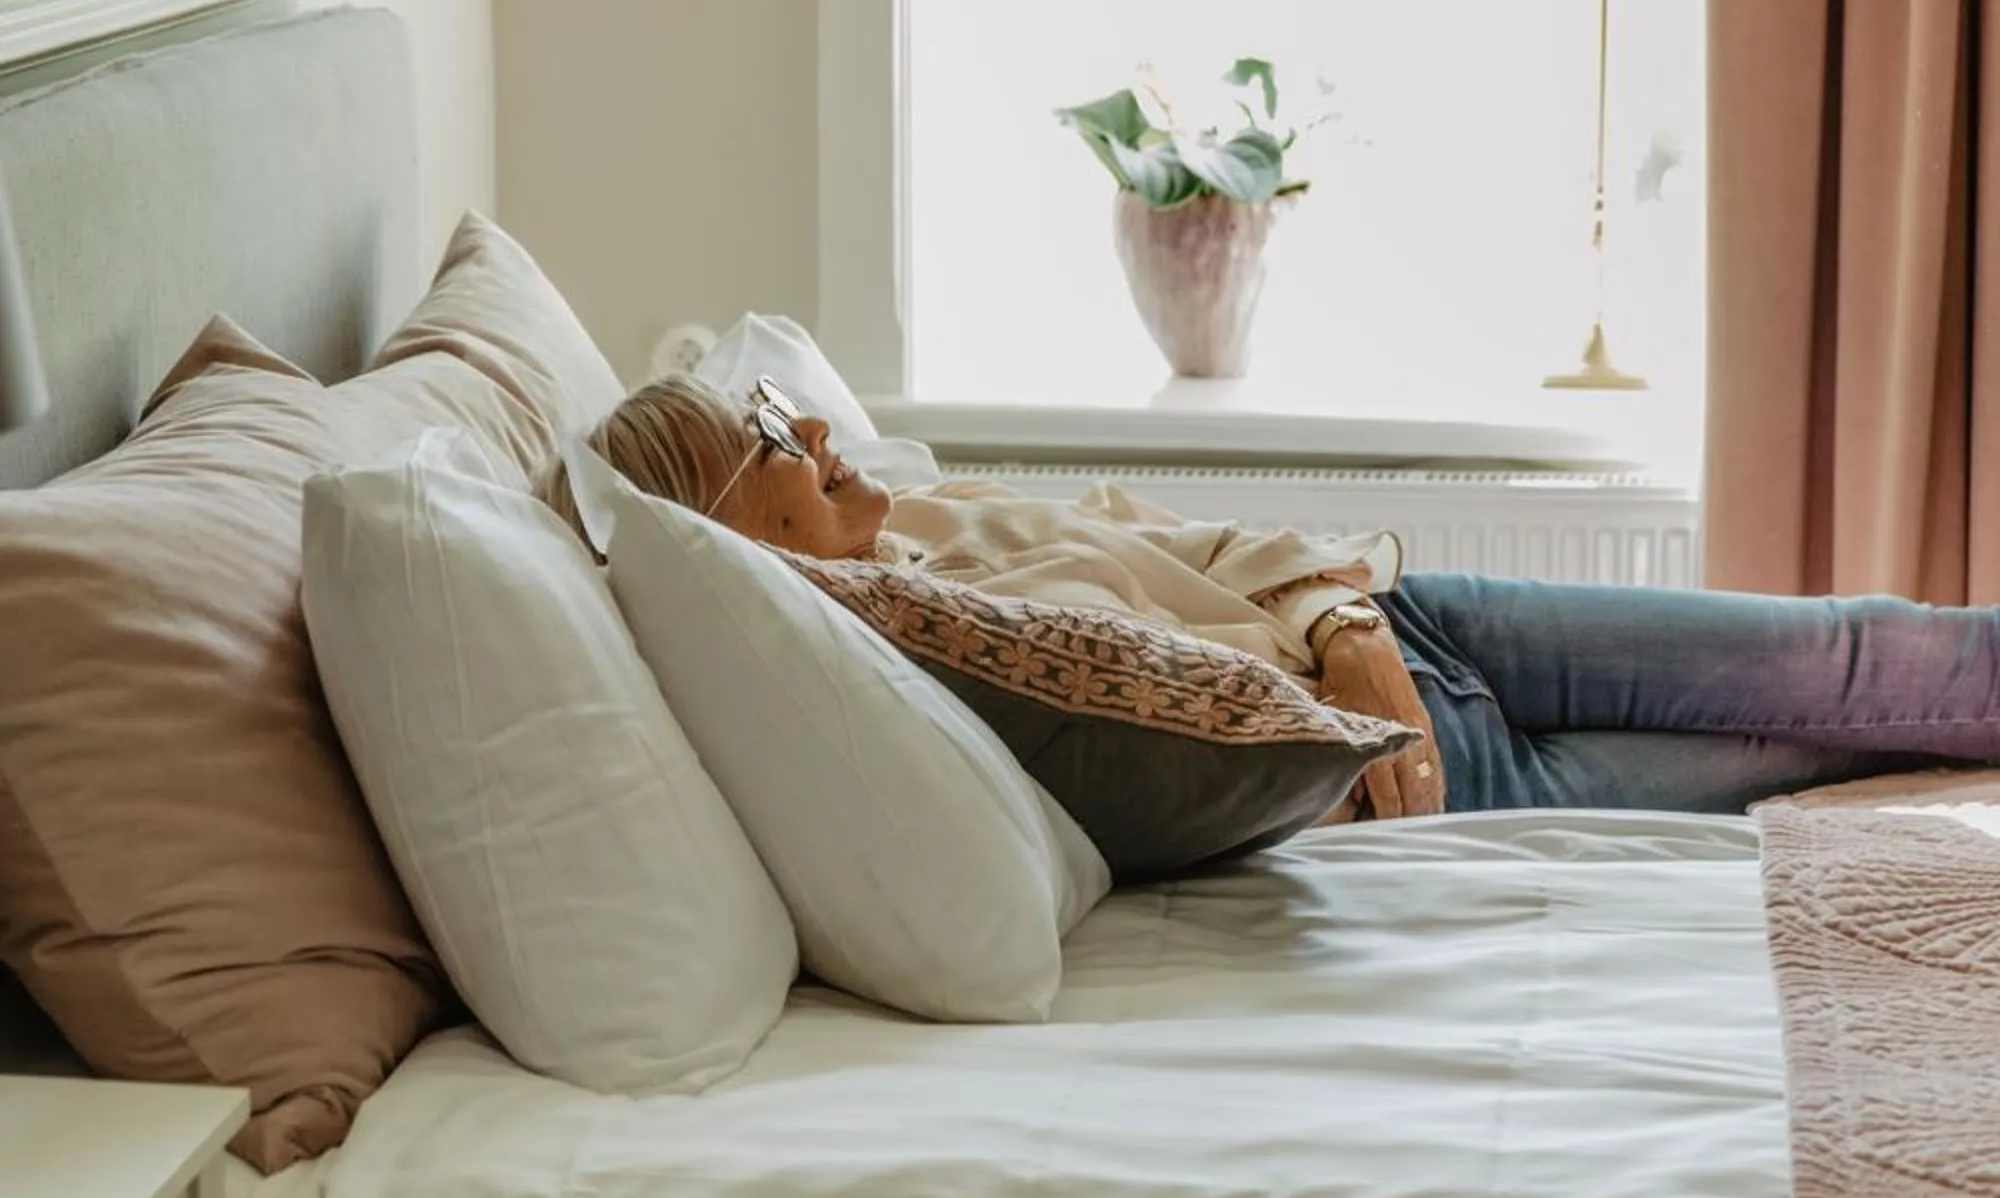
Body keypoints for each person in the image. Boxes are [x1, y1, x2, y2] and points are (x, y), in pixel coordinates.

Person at [545, 375, 2000, 822]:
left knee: (1860, 652)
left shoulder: (931, 518)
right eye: (768, 440)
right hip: (1434, 787)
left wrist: (1342, 624)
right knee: (1857, 769)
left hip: (1425, 627)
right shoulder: (874, 666)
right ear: (729, 528)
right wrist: (1381, 752)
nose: (812, 431)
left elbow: (1186, 528)